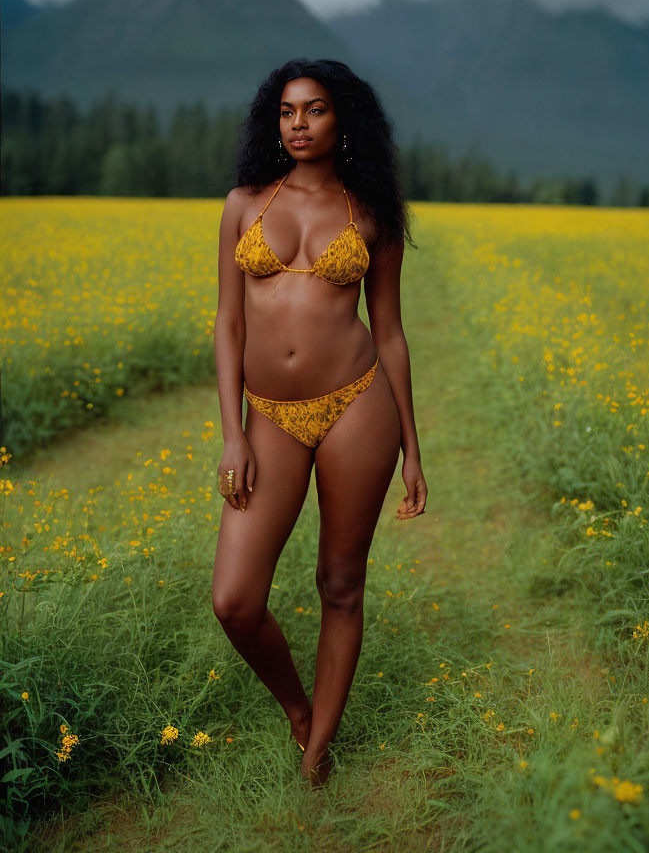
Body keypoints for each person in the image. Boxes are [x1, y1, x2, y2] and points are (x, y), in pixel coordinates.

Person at [211, 58, 427, 787]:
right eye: (286, 111)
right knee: (235, 601)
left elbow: (389, 332)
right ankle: (297, 708)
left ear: (345, 120)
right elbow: (228, 320)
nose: (298, 123)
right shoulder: (245, 203)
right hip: (267, 415)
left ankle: (318, 749)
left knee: (340, 582)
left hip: (357, 405)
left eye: (316, 110)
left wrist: (414, 450)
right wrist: (233, 430)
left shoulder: (370, 212)